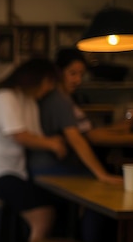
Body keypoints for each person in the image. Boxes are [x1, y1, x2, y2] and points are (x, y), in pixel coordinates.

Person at [0, 58, 66, 242]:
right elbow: (19, 135)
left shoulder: (28, 101)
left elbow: (34, 136)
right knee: (45, 213)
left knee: (56, 204)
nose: (50, 88)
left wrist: (50, 141)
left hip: (19, 172)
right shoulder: (5, 97)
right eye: (49, 82)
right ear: (37, 79)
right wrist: (52, 144)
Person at [28, 48, 123, 184]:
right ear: (59, 73)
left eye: (81, 74)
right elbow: (75, 138)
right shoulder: (58, 99)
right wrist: (102, 175)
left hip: (45, 166)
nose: (78, 80)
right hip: (50, 168)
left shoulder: (63, 97)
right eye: (72, 73)